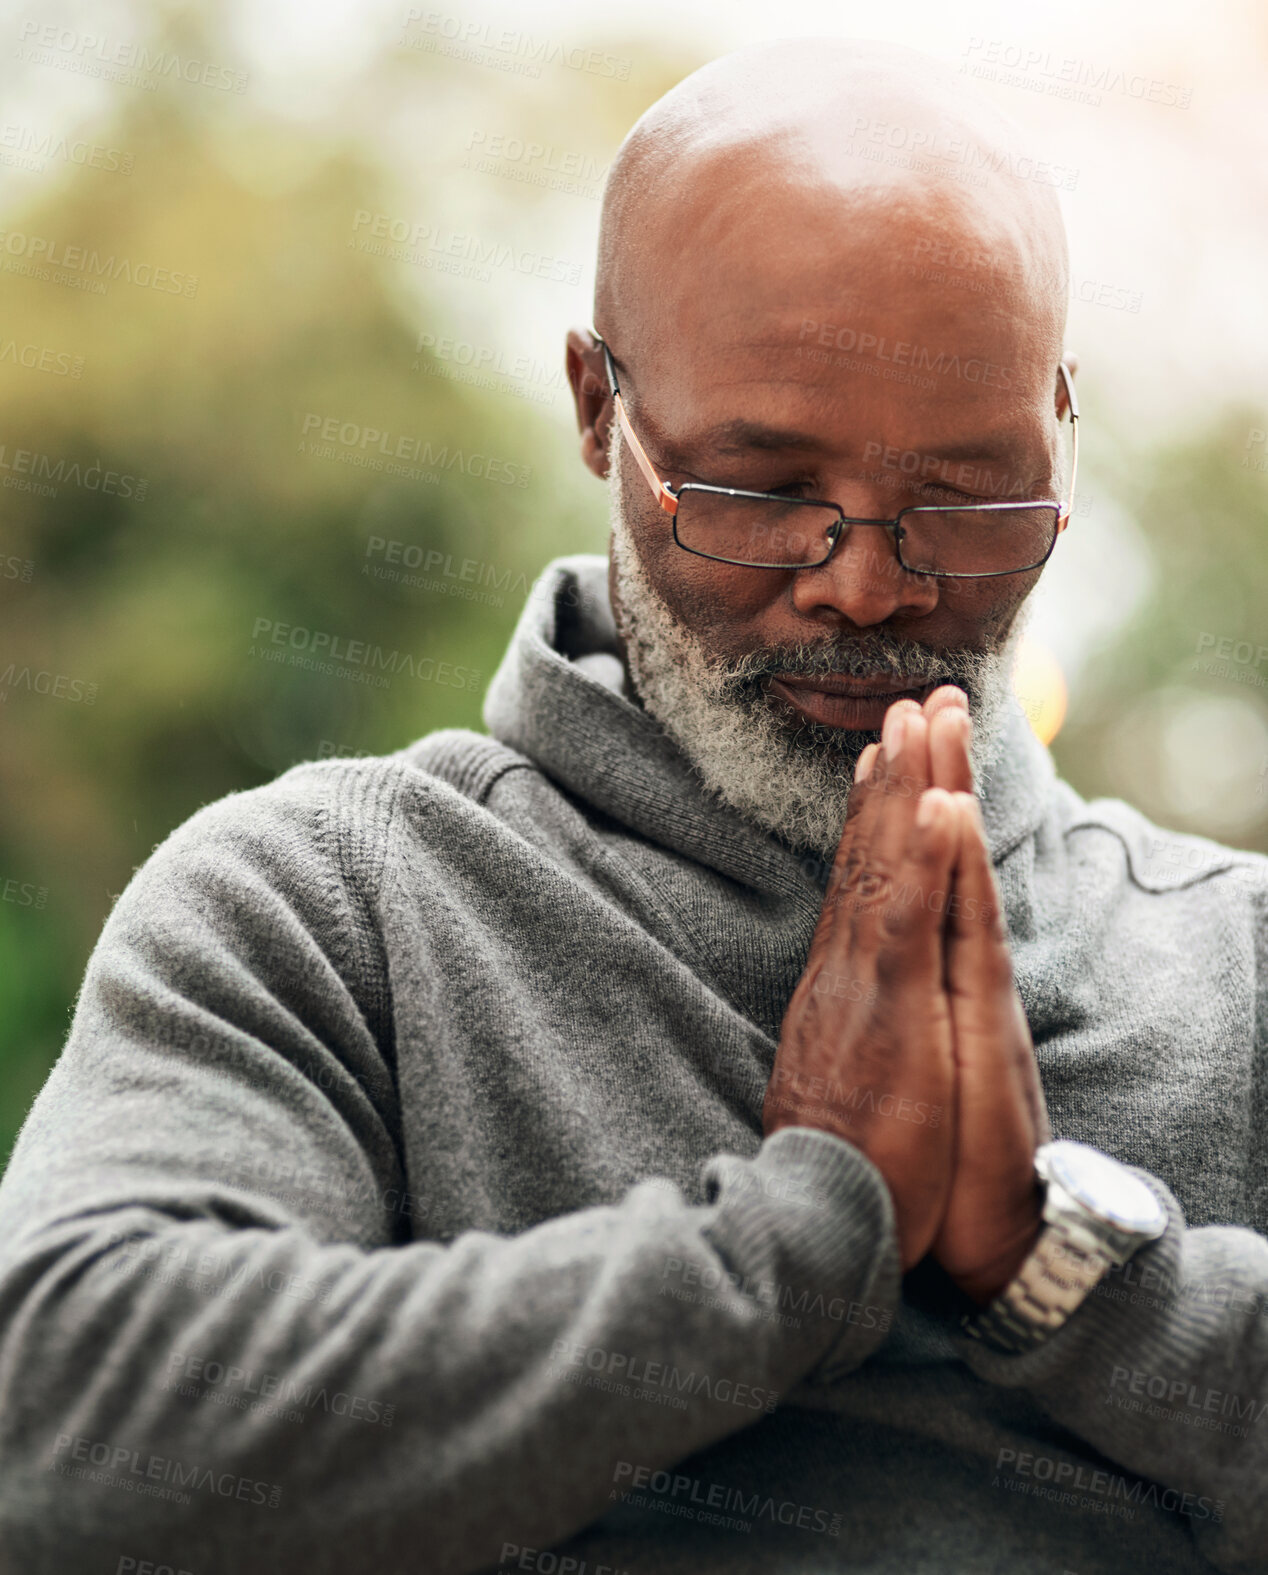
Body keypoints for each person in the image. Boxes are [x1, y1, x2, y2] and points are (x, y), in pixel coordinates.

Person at [1, 36, 1265, 1575]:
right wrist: (794, 1237)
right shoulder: (330, 910)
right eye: (758, 488)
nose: (865, 583)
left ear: (1066, 430)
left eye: (966, 501)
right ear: (600, 408)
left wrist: (1071, 1271)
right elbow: (61, 1429)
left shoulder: (1236, 966)